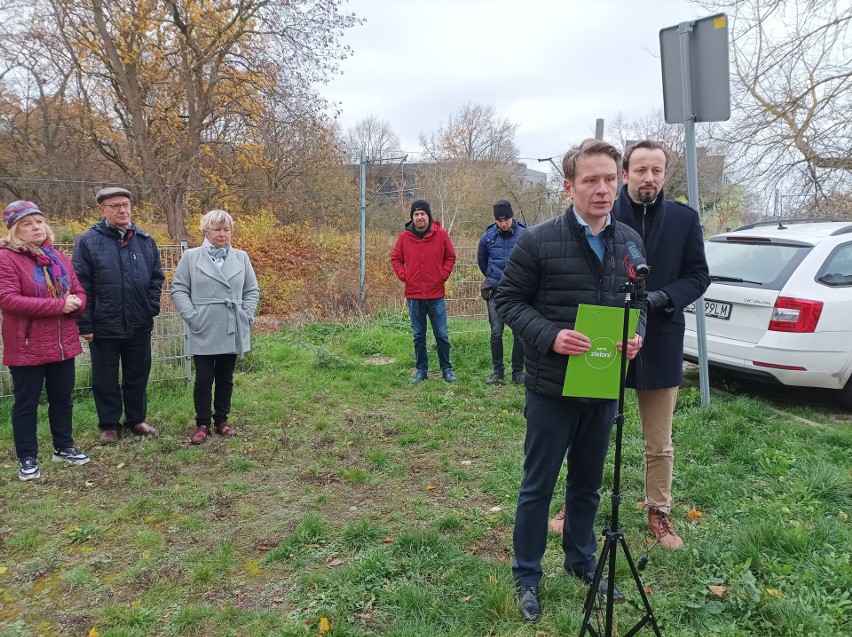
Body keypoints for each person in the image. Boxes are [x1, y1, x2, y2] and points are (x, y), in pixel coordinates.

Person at [494, 139, 647, 623]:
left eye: (609, 179)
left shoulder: (628, 242)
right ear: (569, 186)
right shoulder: (537, 241)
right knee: (538, 485)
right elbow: (509, 301)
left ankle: (582, 562)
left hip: (603, 386)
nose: (602, 190)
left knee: (588, 484)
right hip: (551, 388)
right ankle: (527, 576)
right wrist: (551, 336)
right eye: (590, 181)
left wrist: (636, 334)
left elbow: (639, 303)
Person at [612, 139, 709, 548]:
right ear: (625, 174)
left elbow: (698, 276)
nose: (648, 178)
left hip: (663, 336)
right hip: (608, 336)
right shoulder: (603, 212)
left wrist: (662, 298)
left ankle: (659, 512)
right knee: (590, 429)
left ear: (665, 174)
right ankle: (576, 501)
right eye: (640, 170)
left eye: (656, 171)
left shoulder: (684, 220)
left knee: (659, 438)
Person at [0, 201, 90, 480]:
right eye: (27, 224)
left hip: (63, 342)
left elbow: (77, 289)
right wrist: (58, 306)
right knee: (26, 404)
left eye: (38, 221)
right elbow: (7, 299)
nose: (35, 227)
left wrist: (76, 304)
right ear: (15, 230)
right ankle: (27, 457)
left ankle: (63, 447)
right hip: (27, 344)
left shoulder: (58, 257)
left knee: (62, 399)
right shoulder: (6, 258)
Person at [72, 187, 164, 443]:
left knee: (138, 373)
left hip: (139, 321)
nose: (122, 210)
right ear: (103, 210)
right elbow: (81, 284)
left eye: (125, 204)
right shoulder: (88, 241)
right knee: (105, 377)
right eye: (114, 206)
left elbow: (157, 276)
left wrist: (150, 306)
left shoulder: (145, 240)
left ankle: (136, 419)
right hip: (104, 323)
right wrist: (85, 323)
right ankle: (110, 425)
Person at [171, 209, 260, 444]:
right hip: (203, 325)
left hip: (232, 324)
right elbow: (179, 289)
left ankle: (222, 420)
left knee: (225, 376)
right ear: (206, 231)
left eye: (227, 229)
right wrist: (192, 316)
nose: (223, 234)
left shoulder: (241, 257)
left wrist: (246, 315)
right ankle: (202, 423)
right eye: (218, 229)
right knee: (203, 377)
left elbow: (252, 290)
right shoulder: (191, 257)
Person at [391, 199, 457, 383]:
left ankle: (446, 369)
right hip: (414, 296)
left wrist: (442, 275)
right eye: (416, 214)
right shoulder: (404, 237)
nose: (419, 217)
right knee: (419, 335)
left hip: (436, 295)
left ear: (428, 216)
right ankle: (421, 370)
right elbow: (395, 258)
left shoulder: (441, 235)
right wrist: (405, 275)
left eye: (422, 214)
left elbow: (450, 257)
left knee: (442, 334)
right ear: (412, 217)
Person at [477, 199, 527, 385]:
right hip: (495, 291)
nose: (503, 223)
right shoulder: (488, 237)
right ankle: (498, 372)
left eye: (506, 219)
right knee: (496, 332)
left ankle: (518, 372)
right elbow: (482, 261)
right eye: (500, 220)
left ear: (512, 217)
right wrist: (492, 277)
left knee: (520, 334)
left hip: (518, 292)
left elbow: (531, 260)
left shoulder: (524, 234)